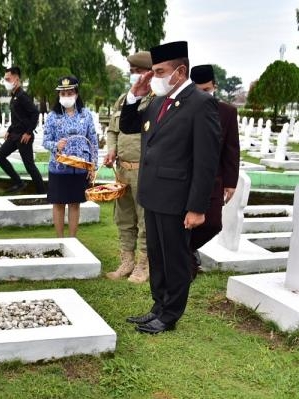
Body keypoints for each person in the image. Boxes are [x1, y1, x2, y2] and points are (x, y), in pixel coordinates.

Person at [119, 41, 221, 334]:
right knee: (158, 255)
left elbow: (206, 161)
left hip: (178, 199)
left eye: (159, 71)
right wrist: (133, 96)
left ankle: (170, 314)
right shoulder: (157, 100)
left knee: (175, 258)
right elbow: (129, 126)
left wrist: (198, 207)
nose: (153, 78)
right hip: (153, 194)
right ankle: (158, 306)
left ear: (180, 71)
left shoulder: (201, 104)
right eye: (152, 72)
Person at [104, 51, 153, 283]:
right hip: (122, 169)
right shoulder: (124, 99)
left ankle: (144, 265)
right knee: (123, 217)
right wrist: (111, 149)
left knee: (144, 219)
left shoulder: (155, 100)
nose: (134, 76)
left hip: (143, 170)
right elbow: (113, 130)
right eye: (132, 72)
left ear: (150, 73)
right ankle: (127, 261)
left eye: (138, 72)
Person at [189, 64, 240, 279]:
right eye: (198, 90)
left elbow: (231, 148)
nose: (203, 94)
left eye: (207, 89)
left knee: (212, 223)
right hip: (184, 177)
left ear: (215, 87)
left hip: (213, 177)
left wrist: (231, 182)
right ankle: (185, 262)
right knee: (183, 222)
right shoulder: (183, 108)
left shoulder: (227, 112)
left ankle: (186, 250)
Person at [43, 76, 98, 238]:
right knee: (58, 204)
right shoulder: (53, 116)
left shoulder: (85, 115)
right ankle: (60, 240)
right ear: (59, 95)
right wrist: (55, 145)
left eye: (70, 92)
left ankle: (73, 239)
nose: (66, 96)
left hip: (80, 168)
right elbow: (45, 140)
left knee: (75, 204)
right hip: (59, 168)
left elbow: (93, 141)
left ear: (76, 93)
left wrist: (93, 165)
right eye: (63, 93)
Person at [0, 66, 45, 194]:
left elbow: (35, 113)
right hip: (14, 135)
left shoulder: (23, 96)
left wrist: (29, 132)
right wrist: (9, 129)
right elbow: (17, 117)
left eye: (8, 79)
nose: (6, 81)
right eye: (5, 79)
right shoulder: (14, 96)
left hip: (24, 137)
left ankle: (42, 192)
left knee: (29, 166)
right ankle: (19, 182)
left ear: (16, 79)